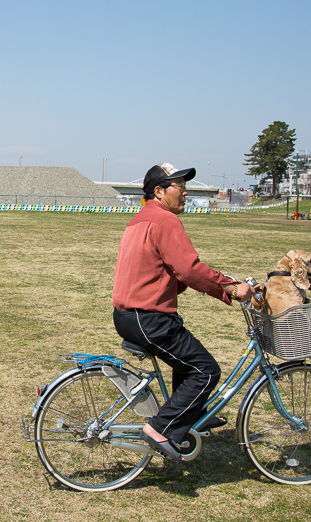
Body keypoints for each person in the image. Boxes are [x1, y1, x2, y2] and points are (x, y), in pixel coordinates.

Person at [112, 162, 252, 461]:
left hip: (130, 315)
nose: (185, 192)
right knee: (206, 371)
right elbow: (189, 269)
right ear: (159, 191)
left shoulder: (139, 219)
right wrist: (228, 287)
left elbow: (161, 270)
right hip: (148, 317)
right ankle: (160, 428)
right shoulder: (165, 221)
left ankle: (192, 416)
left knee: (188, 363)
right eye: (180, 186)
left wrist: (199, 281)